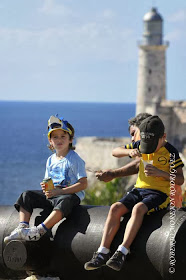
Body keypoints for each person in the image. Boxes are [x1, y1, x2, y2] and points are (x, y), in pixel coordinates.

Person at [84, 115, 184, 271]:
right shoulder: (142, 145)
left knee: (138, 209)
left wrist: (160, 172)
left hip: (159, 193)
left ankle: (122, 251)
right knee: (115, 208)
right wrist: (129, 152)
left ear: (163, 137)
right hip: (139, 188)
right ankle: (102, 251)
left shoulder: (170, 152)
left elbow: (180, 179)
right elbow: (115, 151)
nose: (148, 148)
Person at [4, 115, 87, 243]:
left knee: (66, 201)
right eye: (55, 137)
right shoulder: (50, 160)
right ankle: (23, 227)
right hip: (53, 194)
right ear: (50, 141)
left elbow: (83, 184)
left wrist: (60, 192)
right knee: (26, 195)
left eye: (63, 136)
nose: (59, 140)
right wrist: (46, 187)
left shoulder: (75, 159)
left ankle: (39, 231)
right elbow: (48, 180)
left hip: (68, 195)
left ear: (70, 139)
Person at [95, 113, 152, 183]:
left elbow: (139, 164)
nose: (132, 139)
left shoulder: (161, 148)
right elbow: (115, 151)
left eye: (134, 133)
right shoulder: (138, 145)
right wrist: (129, 151)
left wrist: (113, 174)